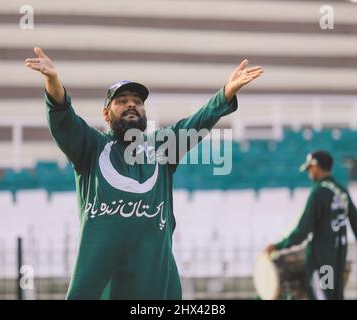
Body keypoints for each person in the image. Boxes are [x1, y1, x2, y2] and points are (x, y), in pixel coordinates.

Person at [25, 47, 264, 299]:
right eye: (122, 100)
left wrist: (226, 93)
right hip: (105, 290)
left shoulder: (161, 148)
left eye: (138, 102)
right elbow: (63, 120)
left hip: (155, 289)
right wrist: (53, 82)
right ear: (106, 114)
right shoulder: (91, 147)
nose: (131, 104)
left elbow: (195, 123)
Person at [266, 150, 357, 300]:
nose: (309, 172)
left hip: (323, 264)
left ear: (316, 166)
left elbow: (303, 230)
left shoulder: (319, 193)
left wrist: (279, 246)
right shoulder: (341, 191)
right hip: (337, 262)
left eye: (310, 168)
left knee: (322, 296)